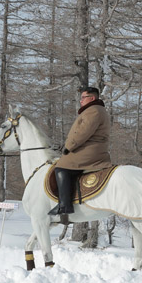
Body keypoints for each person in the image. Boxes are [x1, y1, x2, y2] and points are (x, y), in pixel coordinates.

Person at [48, 86, 112, 224]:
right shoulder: (95, 110)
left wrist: (69, 147)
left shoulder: (93, 111)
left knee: (61, 167)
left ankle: (65, 206)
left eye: (83, 97)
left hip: (91, 150)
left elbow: (83, 132)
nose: (81, 100)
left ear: (92, 98)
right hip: (89, 148)